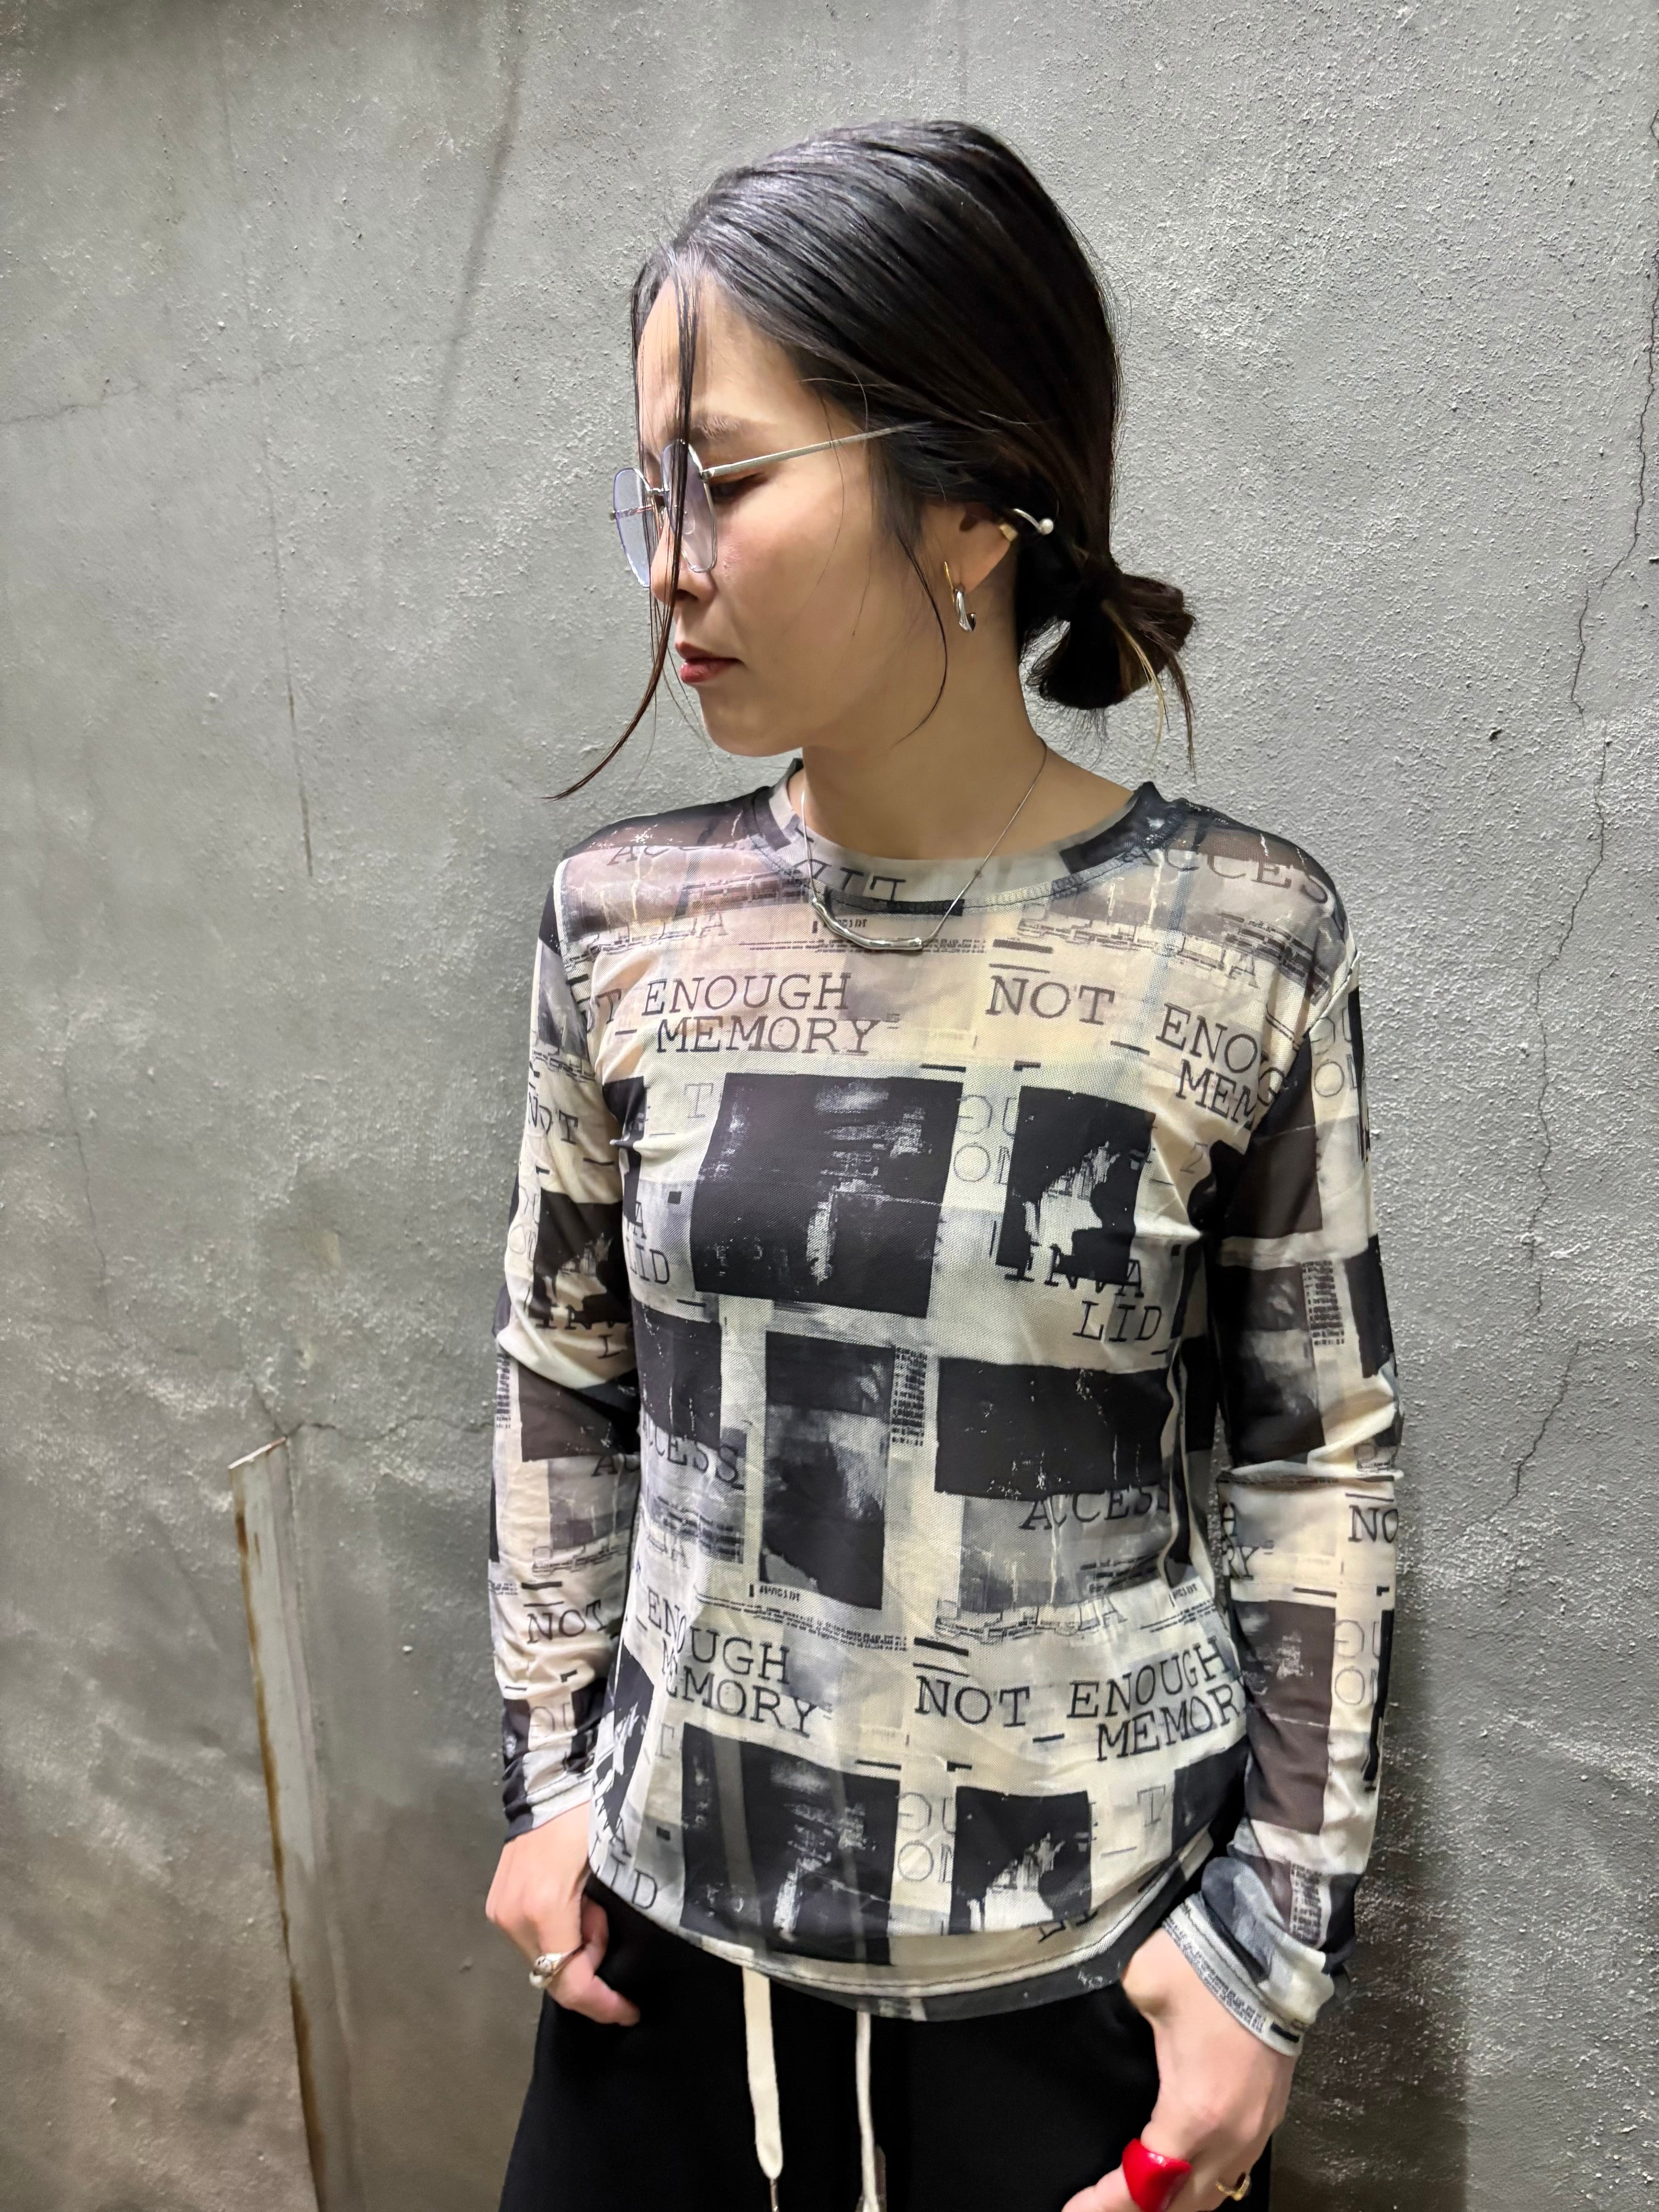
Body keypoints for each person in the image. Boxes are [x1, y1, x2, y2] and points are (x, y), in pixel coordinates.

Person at [483, 118, 1403, 2212]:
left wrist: (1271, 1964)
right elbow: (562, 1374)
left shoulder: (1240, 937)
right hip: (657, 1979)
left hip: (1073, 2004)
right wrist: (542, 1781)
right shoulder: (622, 922)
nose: (667, 564)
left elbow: (1318, 1455)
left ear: (974, 503)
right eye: (651, 491)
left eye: (726, 482)